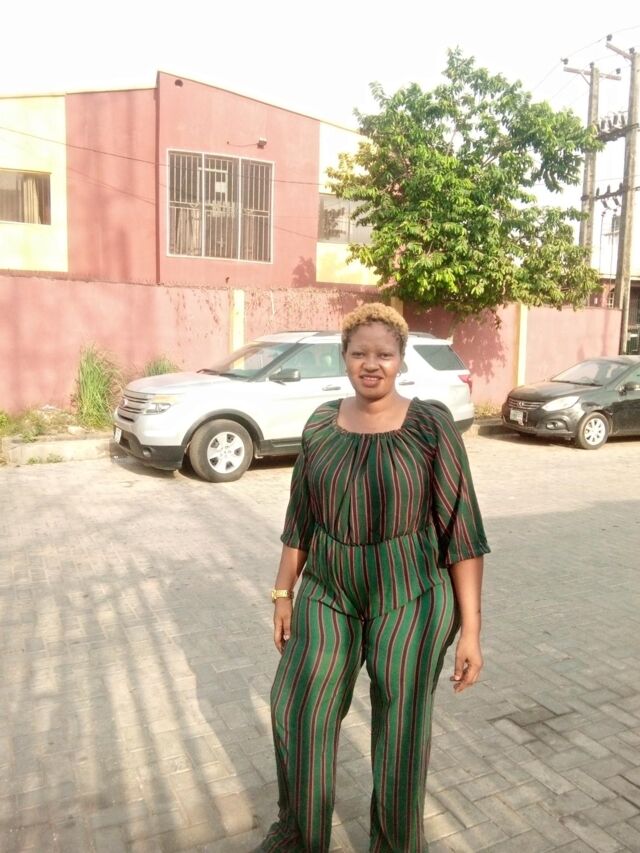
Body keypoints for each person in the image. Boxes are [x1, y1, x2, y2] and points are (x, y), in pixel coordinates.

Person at [258, 303, 489, 852]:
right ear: (343, 357)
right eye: (359, 353)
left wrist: (472, 632)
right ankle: (300, 836)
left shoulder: (430, 426)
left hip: (410, 593)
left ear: (400, 359)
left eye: (383, 354)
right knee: (298, 707)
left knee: (402, 730)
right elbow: (301, 518)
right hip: (329, 587)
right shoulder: (320, 425)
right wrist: (283, 593)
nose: (371, 364)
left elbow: (462, 529)